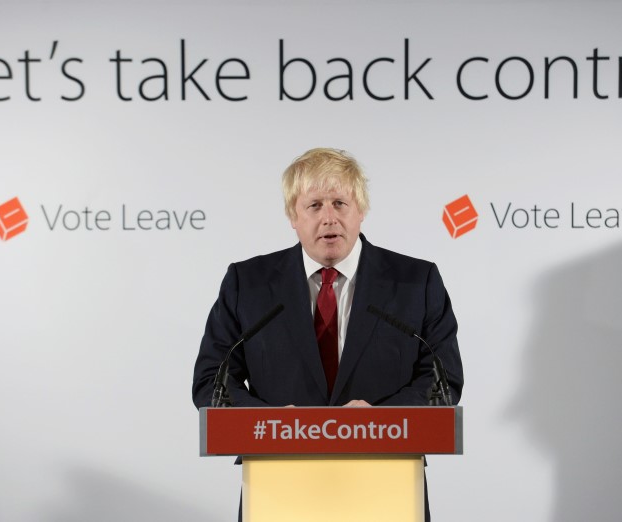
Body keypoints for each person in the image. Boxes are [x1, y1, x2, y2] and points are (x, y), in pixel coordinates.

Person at [192, 148, 463, 519]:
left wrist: (381, 420)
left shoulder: (416, 281)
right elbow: (210, 382)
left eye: (340, 203)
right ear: (293, 215)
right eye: (314, 205)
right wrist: (273, 425)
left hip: (386, 486)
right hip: (280, 487)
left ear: (361, 211)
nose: (329, 218)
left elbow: (444, 379)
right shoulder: (247, 284)